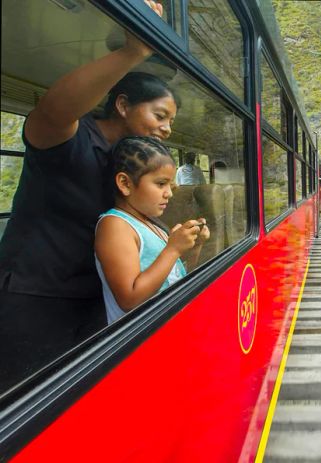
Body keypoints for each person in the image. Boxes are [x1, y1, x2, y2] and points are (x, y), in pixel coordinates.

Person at [0, 0, 174, 390]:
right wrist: (132, 52)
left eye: (171, 122)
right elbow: (52, 111)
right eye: (159, 116)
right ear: (123, 104)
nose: (166, 129)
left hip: (91, 295)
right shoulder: (70, 140)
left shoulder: (125, 162)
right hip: (36, 296)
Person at [95, 137, 209, 324]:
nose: (169, 193)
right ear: (125, 183)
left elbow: (175, 277)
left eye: (170, 185)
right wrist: (173, 249)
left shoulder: (153, 225)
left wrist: (194, 246)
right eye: (161, 184)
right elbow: (129, 299)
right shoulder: (115, 226)